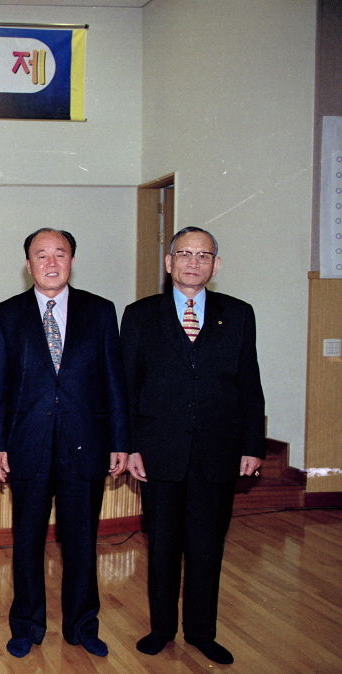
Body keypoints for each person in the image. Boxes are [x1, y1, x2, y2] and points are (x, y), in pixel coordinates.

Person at [120, 226, 264, 665]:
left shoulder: (238, 314)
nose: (193, 262)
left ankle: (202, 631)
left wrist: (253, 444)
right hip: (159, 451)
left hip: (217, 453)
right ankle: (162, 627)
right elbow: (128, 386)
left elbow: (249, 384)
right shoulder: (141, 314)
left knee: (207, 547)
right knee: (162, 545)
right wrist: (130, 447)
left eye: (203, 255)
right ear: (169, 262)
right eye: (184, 254)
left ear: (216, 265)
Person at [0, 228, 129, 659]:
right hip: (26, 444)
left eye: (60, 254)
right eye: (41, 255)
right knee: (26, 540)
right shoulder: (6, 314)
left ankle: (82, 625)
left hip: (85, 444)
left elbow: (114, 381)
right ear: (27, 264)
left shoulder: (100, 311)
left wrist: (120, 440)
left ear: (71, 261)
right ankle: (27, 625)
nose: (51, 262)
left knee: (81, 541)